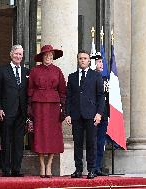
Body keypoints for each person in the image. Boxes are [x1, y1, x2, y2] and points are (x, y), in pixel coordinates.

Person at [28, 44, 66, 178]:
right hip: (38, 105)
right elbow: (30, 90)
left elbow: (62, 91)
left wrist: (63, 108)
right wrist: (29, 107)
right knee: (39, 135)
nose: (48, 57)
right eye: (46, 55)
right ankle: (41, 165)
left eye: (51, 55)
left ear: (53, 57)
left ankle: (49, 164)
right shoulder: (34, 71)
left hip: (54, 107)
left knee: (53, 136)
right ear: (42, 57)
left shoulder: (58, 71)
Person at [65, 50, 104, 179]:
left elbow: (100, 96)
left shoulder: (96, 76)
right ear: (78, 60)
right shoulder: (72, 77)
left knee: (91, 143)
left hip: (91, 115)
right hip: (76, 115)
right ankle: (78, 169)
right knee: (77, 143)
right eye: (80, 58)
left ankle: (92, 169)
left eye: (85, 58)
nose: (82, 60)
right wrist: (68, 114)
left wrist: (99, 113)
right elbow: (68, 97)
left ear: (89, 61)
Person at [0, 45, 29, 177]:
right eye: (16, 54)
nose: (18, 56)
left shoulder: (27, 71)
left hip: (21, 111)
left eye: (20, 54)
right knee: (6, 140)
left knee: (18, 142)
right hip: (6, 110)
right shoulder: (2, 70)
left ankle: (16, 169)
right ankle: (6, 169)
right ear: (11, 54)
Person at [93, 52, 109, 176]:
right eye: (98, 61)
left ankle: (98, 166)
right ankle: (92, 166)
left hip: (104, 115)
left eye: (102, 61)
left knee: (101, 142)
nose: (101, 64)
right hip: (93, 115)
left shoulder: (107, 79)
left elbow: (107, 98)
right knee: (93, 142)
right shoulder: (91, 77)